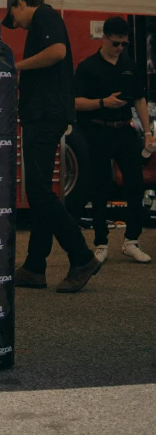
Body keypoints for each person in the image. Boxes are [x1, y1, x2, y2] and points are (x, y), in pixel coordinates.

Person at [2, 0, 101, 293]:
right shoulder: (44, 20)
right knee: (41, 189)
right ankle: (34, 266)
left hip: (44, 115)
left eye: (13, 17)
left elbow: (57, 52)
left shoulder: (44, 15)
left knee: (38, 190)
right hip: (46, 114)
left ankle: (82, 256)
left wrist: (15, 67)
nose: (15, 25)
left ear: (20, 4)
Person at [74, 17, 153, 264]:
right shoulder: (88, 67)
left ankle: (131, 240)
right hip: (97, 130)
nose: (120, 48)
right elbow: (75, 102)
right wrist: (102, 103)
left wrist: (148, 132)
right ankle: (101, 241)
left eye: (124, 44)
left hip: (124, 130)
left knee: (135, 184)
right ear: (105, 38)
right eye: (116, 43)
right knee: (99, 187)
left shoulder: (130, 65)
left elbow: (139, 99)